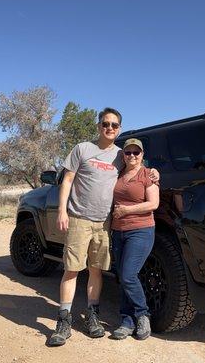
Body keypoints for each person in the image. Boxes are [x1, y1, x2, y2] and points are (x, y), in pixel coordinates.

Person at [48, 108, 158, 347]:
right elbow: (67, 180)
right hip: (78, 218)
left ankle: (93, 317)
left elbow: (137, 166)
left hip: (105, 223)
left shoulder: (121, 154)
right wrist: (62, 211)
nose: (110, 128)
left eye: (115, 125)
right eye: (106, 124)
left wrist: (154, 172)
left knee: (96, 270)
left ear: (119, 129)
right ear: (99, 126)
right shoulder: (82, 149)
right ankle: (63, 321)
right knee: (72, 269)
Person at [110, 138, 159, 340]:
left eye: (136, 153)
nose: (132, 156)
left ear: (142, 155)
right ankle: (127, 321)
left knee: (129, 275)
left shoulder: (148, 175)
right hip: (118, 231)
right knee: (122, 276)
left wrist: (126, 210)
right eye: (128, 152)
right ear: (123, 155)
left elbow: (153, 203)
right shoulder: (119, 173)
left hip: (141, 230)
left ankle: (142, 314)